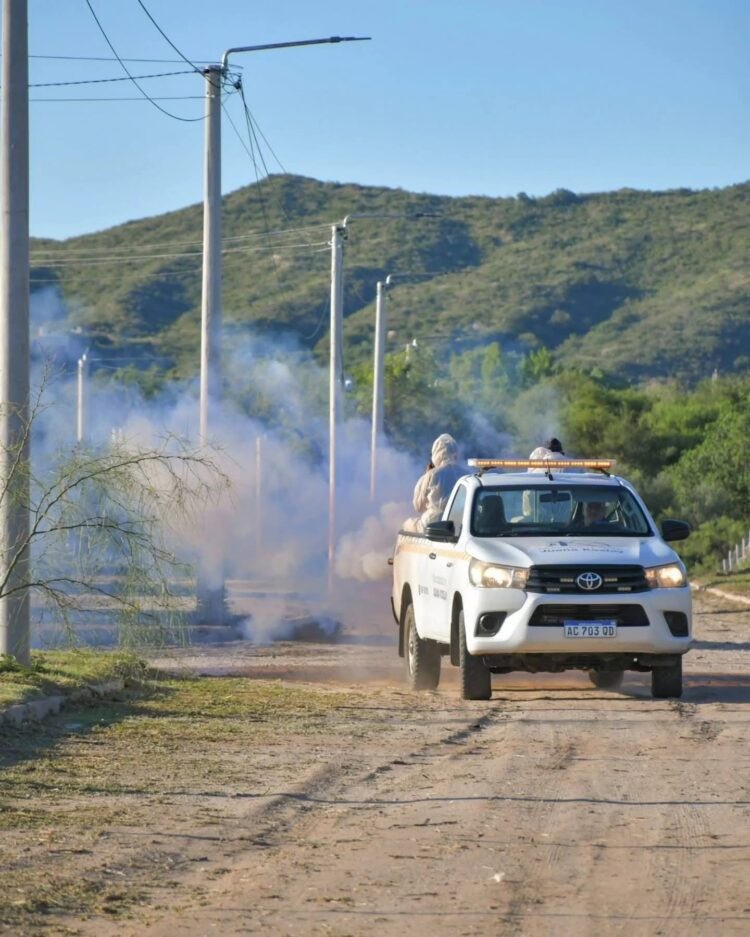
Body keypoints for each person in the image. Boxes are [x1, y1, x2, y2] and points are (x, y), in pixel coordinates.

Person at [405, 433, 466, 532]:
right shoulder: (466, 474)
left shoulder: (432, 475)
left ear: (436, 453)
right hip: (460, 525)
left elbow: (418, 506)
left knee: (407, 524)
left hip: (432, 525)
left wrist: (426, 475)